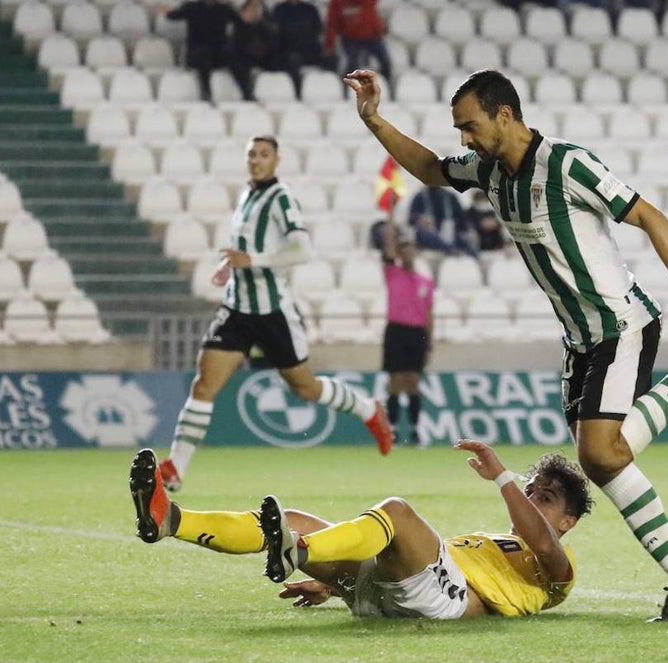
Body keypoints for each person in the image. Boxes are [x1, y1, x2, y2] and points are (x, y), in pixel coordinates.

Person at [343, 67, 668, 622]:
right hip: (579, 339)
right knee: (605, 458)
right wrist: (374, 119)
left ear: (505, 115)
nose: (463, 139)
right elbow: (429, 168)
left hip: (622, 324)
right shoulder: (487, 171)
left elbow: (650, 217)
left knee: (599, 455)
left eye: (470, 126)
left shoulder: (567, 164)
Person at [158, 135, 394, 493]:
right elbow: (248, 248)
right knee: (204, 383)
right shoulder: (246, 197)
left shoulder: (280, 197)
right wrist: (230, 266)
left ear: (277, 160)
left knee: (305, 387)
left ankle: (369, 411)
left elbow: (302, 248)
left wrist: (253, 261)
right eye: (251, 154)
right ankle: (175, 467)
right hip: (238, 308)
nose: (256, 160)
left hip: (273, 312)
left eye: (264, 154)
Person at [128, 439, 593, 618]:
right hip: (388, 592)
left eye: (544, 497)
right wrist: (334, 587)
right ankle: (171, 520)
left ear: (568, 522)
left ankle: (299, 548)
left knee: (398, 512)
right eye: (530, 489)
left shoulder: (559, 568)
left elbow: (538, 537)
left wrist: (504, 478)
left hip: (444, 602)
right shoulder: (498, 541)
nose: (530, 498)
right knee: (292, 520)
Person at [379, 219, 434, 447]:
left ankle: (413, 430)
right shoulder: (393, 273)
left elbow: (429, 312)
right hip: (396, 330)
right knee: (395, 381)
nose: (407, 252)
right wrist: (390, 217)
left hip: (417, 332)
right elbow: (387, 247)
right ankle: (390, 429)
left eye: (410, 248)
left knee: (412, 381)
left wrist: (430, 340)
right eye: (403, 249)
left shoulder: (425, 282)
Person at [156, 0, 238, 102]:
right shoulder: (192, 7)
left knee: (236, 57)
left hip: (218, 55)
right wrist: (166, 11)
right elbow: (174, 15)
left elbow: (240, 20)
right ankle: (206, 93)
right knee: (204, 55)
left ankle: (247, 93)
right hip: (197, 55)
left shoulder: (224, 9)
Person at [324, 0, 391, 80]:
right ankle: (348, 87)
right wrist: (330, 44)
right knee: (352, 65)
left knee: (385, 61)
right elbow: (331, 23)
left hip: (373, 36)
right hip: (350, 38)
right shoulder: (336, 3)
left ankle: (385, 83)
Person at [272, 0, 326, 99]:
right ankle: (297, 94)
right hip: (286, 52)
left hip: (309, 50)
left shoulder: (310, 9)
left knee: (331, 59)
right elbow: (276, 34)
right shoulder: (279, 9)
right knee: (292, 60)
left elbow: (317, 30)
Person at [407, 184, 478, 257]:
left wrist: (470, 229)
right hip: (431, 234)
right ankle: (449, 248)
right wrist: (421, 219)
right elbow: (411, 218)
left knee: (468, 239)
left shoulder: (450, 197)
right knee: (422, 233)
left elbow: (462, 218)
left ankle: (475, 261)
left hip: (451, 232)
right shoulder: (420, 197)